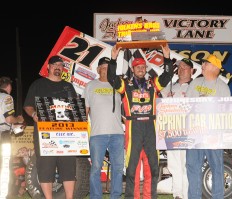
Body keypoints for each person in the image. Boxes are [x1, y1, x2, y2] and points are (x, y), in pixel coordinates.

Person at [107, 44, 174, 199]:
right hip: (134, 127)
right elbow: (111, 78)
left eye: (143, 66)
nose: (141, 69)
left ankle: (150, 197)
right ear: (132, 68)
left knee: (153, 167)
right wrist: (113, 58)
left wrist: (167, 57)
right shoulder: (126, 85)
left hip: (151, 127)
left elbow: (168, 75)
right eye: (137, 67)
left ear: (145, 68)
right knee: (132, 168)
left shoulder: (153, 84)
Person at [23, 55, 78, 199]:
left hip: (66, 134)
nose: (58, 67)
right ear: (48, 67)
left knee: (68, 168)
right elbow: (27, 106)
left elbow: (75, 109)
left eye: (60, 65)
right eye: (55, 65)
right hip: (44, 135)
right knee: (45, 168)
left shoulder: (69, 86)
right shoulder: (38, 84)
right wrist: (34, 113)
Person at [185, 54, 231, 199]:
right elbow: (187, 105)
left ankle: (217, 197)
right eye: (203, 63)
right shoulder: (195, 82)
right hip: (194, 133)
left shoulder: (223, 87)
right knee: (192, 167)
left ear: (215, 68)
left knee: (217, 167)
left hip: (213, 135)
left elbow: (227, 111)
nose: (203, 65)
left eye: (206, 63)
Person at [83, 56, 124, 199]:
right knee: (95, 168)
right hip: (97, 134)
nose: (106, 70)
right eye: (103, 67)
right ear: (98, 69)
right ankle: (95, 196)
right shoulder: (90, 86)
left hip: (118, 134)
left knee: (118, 168)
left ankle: (116, 196)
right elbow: (85, 110)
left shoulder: (119, 85)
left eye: (109, 68)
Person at [160, 58, 194, 199]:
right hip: (172, 131)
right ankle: (177, 195)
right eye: (179, 67)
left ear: (192, 71)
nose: (181, 69)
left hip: (189, 132)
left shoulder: (196, 86)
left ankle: (186, 195)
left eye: (185, 67)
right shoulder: (169, 87)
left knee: (186, 165)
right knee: (174, 165)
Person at [0, 76, 24, 199]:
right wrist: (18, 119)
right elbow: (9, 119)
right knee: (4, 166)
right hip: (2, 136)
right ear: (9, 86)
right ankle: (3, 195)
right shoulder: (7, 97)